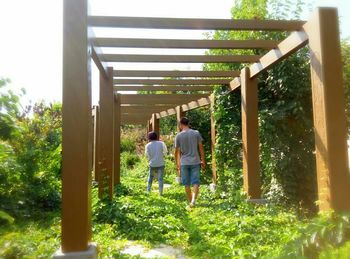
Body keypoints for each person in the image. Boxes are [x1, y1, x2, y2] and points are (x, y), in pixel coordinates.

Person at [175, 117, 206, 207]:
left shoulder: (179, 136)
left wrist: (177, 164)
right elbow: (201, 147)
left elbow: (177, 152)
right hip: (195, 161)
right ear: (188, 124)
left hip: (184, 162)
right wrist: (203, 160)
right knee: (195, 182)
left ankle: (190, 202)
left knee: (186, 183)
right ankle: (193, 201)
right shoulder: (196, 133)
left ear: (180, 125)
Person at [145, 131, 167, 195]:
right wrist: (161, 155)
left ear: (149, 137)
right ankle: (160, 193)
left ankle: (148, 191)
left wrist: (150, 159)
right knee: (160, 178)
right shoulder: (161, 143)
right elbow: (165, 152)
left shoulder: (147, 145)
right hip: (160, 163)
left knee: (150, 177)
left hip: (152, 164)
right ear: (156, 136)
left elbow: (147, 155)